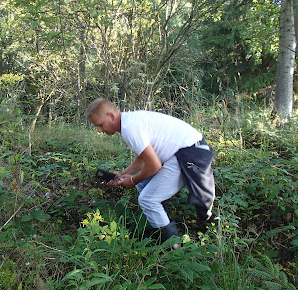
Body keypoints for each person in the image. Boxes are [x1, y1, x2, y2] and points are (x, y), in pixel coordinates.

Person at [86, 98, 215, 247]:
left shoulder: (129, 128)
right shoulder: (130, 121)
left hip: (188, 154)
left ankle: (173, 250)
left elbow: (154, 165)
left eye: (100, 125)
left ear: (111, 115)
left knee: (147, 199)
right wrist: (123, 175)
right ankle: (161, 226)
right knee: (144, 185)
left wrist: (133, 180)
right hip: (188, 150)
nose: (99, 130)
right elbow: (143, 158)